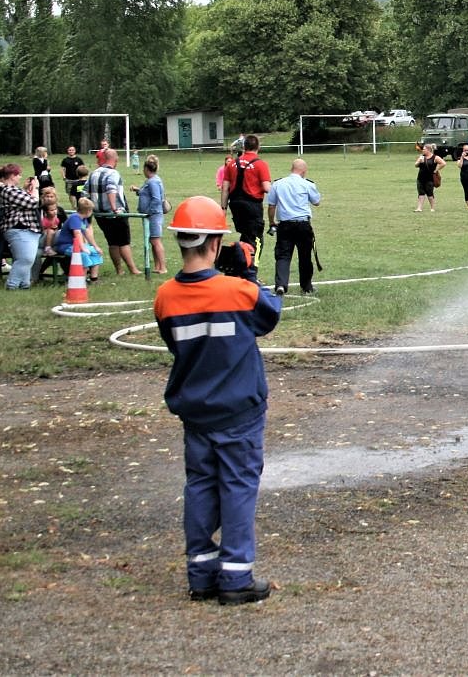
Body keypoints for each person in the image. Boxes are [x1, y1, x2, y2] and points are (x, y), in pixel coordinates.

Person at [153, 196, 282, 606]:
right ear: (214, 243)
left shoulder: (165, 297)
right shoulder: (239, 291)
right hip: (239, 410)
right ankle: (236, 578)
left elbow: (176, 343)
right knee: (238, 487)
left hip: (196, 412)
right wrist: (248, 274)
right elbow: (270, 314)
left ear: (181, 242)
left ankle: (202, 575)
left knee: (200, 486)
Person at [265, 158, 322, 296]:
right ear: (304, 171)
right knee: (305, 256)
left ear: (292, 169)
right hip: (303, 224)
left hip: (285, 225)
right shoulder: (307, 184)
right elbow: (316, 202)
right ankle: (306, 286)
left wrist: (272, 222)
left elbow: (271, 206)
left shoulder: (278, 184)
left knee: (283, 255)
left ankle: (281, 285)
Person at [85, 147, 142, 275]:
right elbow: (111, 189)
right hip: (115, 214)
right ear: (115, 159)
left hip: (100, 214)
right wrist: (114, 208)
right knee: (124, 242)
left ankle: (119, 270)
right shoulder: (113, 173)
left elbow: (84, 191)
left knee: (112, 242)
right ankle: (133, 269)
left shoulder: (93, 173)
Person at [220, 134, 272, 251]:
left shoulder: (232, 164)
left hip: (235, 205)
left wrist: (223, 208)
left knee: (245, 235)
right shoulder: (260, 164)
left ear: (244, 147)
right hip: (252, 206)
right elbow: (267, 188)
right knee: (255, 240)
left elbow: (225, 188)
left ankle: (241, 258)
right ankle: (249, 262)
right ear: (258, 147)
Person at [0, 163, 42, 290]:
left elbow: (23, 202)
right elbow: (33, 203)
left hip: (24, 229)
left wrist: (27, 190)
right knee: (26, 259)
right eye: (18, 175)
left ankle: (24, 285)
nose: (20, 177)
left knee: (22, 258)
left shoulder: (12, 190)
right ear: (12, 175)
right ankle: (12, 285)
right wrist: (35, 189)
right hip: (19, 229)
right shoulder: (9, 190)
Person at [131, 155, 168, 274]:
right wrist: (138, 190)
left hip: (154, 215)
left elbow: (156, 199)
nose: (143, 171)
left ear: (147, 169)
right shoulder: (152, 181)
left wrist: (148, 211)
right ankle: (157, 266)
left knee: (156, 240)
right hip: (152, 215)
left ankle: (163, 267)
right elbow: (147, 194)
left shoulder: (153, 182)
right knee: (152, 240)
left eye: (143, 169)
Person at [53, 197, 104, 281]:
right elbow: (77, 233)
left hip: (76, 245)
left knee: (95, 252)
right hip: (66, 246)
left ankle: (94, 278)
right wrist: (83, 248)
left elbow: (87, 233)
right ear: (88, 211)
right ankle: (81, 280)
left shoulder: (83, 220)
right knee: (83, 255)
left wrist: (96, 247)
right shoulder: (75, 218)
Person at [414, 143, 445, 212]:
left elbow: (443, 163)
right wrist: (419, 162)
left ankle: (432, 208)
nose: (422, 150)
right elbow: (415, 165)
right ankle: (419, 208)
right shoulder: (422, 157)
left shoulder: (435, 157)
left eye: (424, 149)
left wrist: (436, 170)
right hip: (420, 178)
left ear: (428, 150)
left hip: (430, 178)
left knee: (430, 194)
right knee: (421, 193)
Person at [39, 188, 67, 255]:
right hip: (42, 236)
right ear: (43, 197)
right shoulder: (39, 210)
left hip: (56, 237)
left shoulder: (60, 210)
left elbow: (66, 223)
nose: (49, 199)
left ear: (55, 198)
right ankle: (48, 249)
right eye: (47, 196)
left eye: (51, 197)